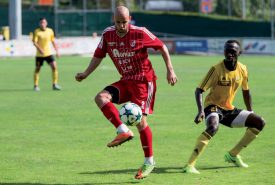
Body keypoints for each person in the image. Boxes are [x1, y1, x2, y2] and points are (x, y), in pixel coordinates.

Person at [75, 6, 177, 179]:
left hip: (144, 82)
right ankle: (122, 130)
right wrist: (85, 73)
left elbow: (162, 47)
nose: (122, 25)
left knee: (140, 122)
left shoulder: (140, 32)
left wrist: (170, 70)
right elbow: (99, 55)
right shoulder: (108, 35)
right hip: (126, 80)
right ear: (113, 19)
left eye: (124, 22)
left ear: (130, 18)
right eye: (118, 22)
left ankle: (149, 161)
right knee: (101, 98)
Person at [182, 40, 265, 174]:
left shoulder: (243, 69)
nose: (230, 54)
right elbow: (199, 90)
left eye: (233, 51)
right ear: (224, 52)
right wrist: (200, 111)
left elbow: (246, 91)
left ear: (239, 52)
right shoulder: (216, 69)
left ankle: (233, 155)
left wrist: (250, 111)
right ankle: (189, 165)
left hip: (229, 109)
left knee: (259, 122)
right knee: (213, 127)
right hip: (212, 106)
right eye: (227, 50)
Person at [33, 17, 61, 91]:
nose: (43, 24)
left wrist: (57, 51)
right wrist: (40, 49)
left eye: (44, 22)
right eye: (41, 23)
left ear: (46, 23)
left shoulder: (50, 31)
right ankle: (36, 85)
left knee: (54, 67)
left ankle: (54, 84)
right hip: (39, 54)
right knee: (38, 69)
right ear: (39, 24)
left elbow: (53, 41)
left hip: (49, 53)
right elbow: (34, 42)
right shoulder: (37, 31)